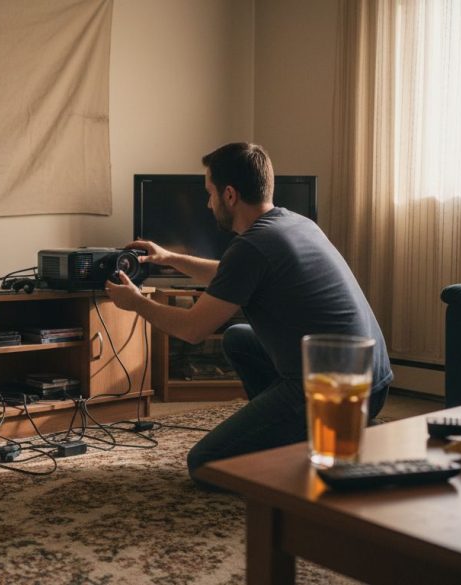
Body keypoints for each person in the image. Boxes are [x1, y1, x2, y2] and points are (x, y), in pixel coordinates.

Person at [105, 142, 392, 488]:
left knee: (206, 464)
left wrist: (136, 302)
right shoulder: (294, 223)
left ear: (229, 195)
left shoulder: (252, 246)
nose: (208, 203)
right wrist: (170, 258)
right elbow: (230, 274)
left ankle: (301, 434)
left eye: (210, 193)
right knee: (238, 337)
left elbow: (192, 329)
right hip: (371, 382)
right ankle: (292, 431)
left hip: (333, 393)